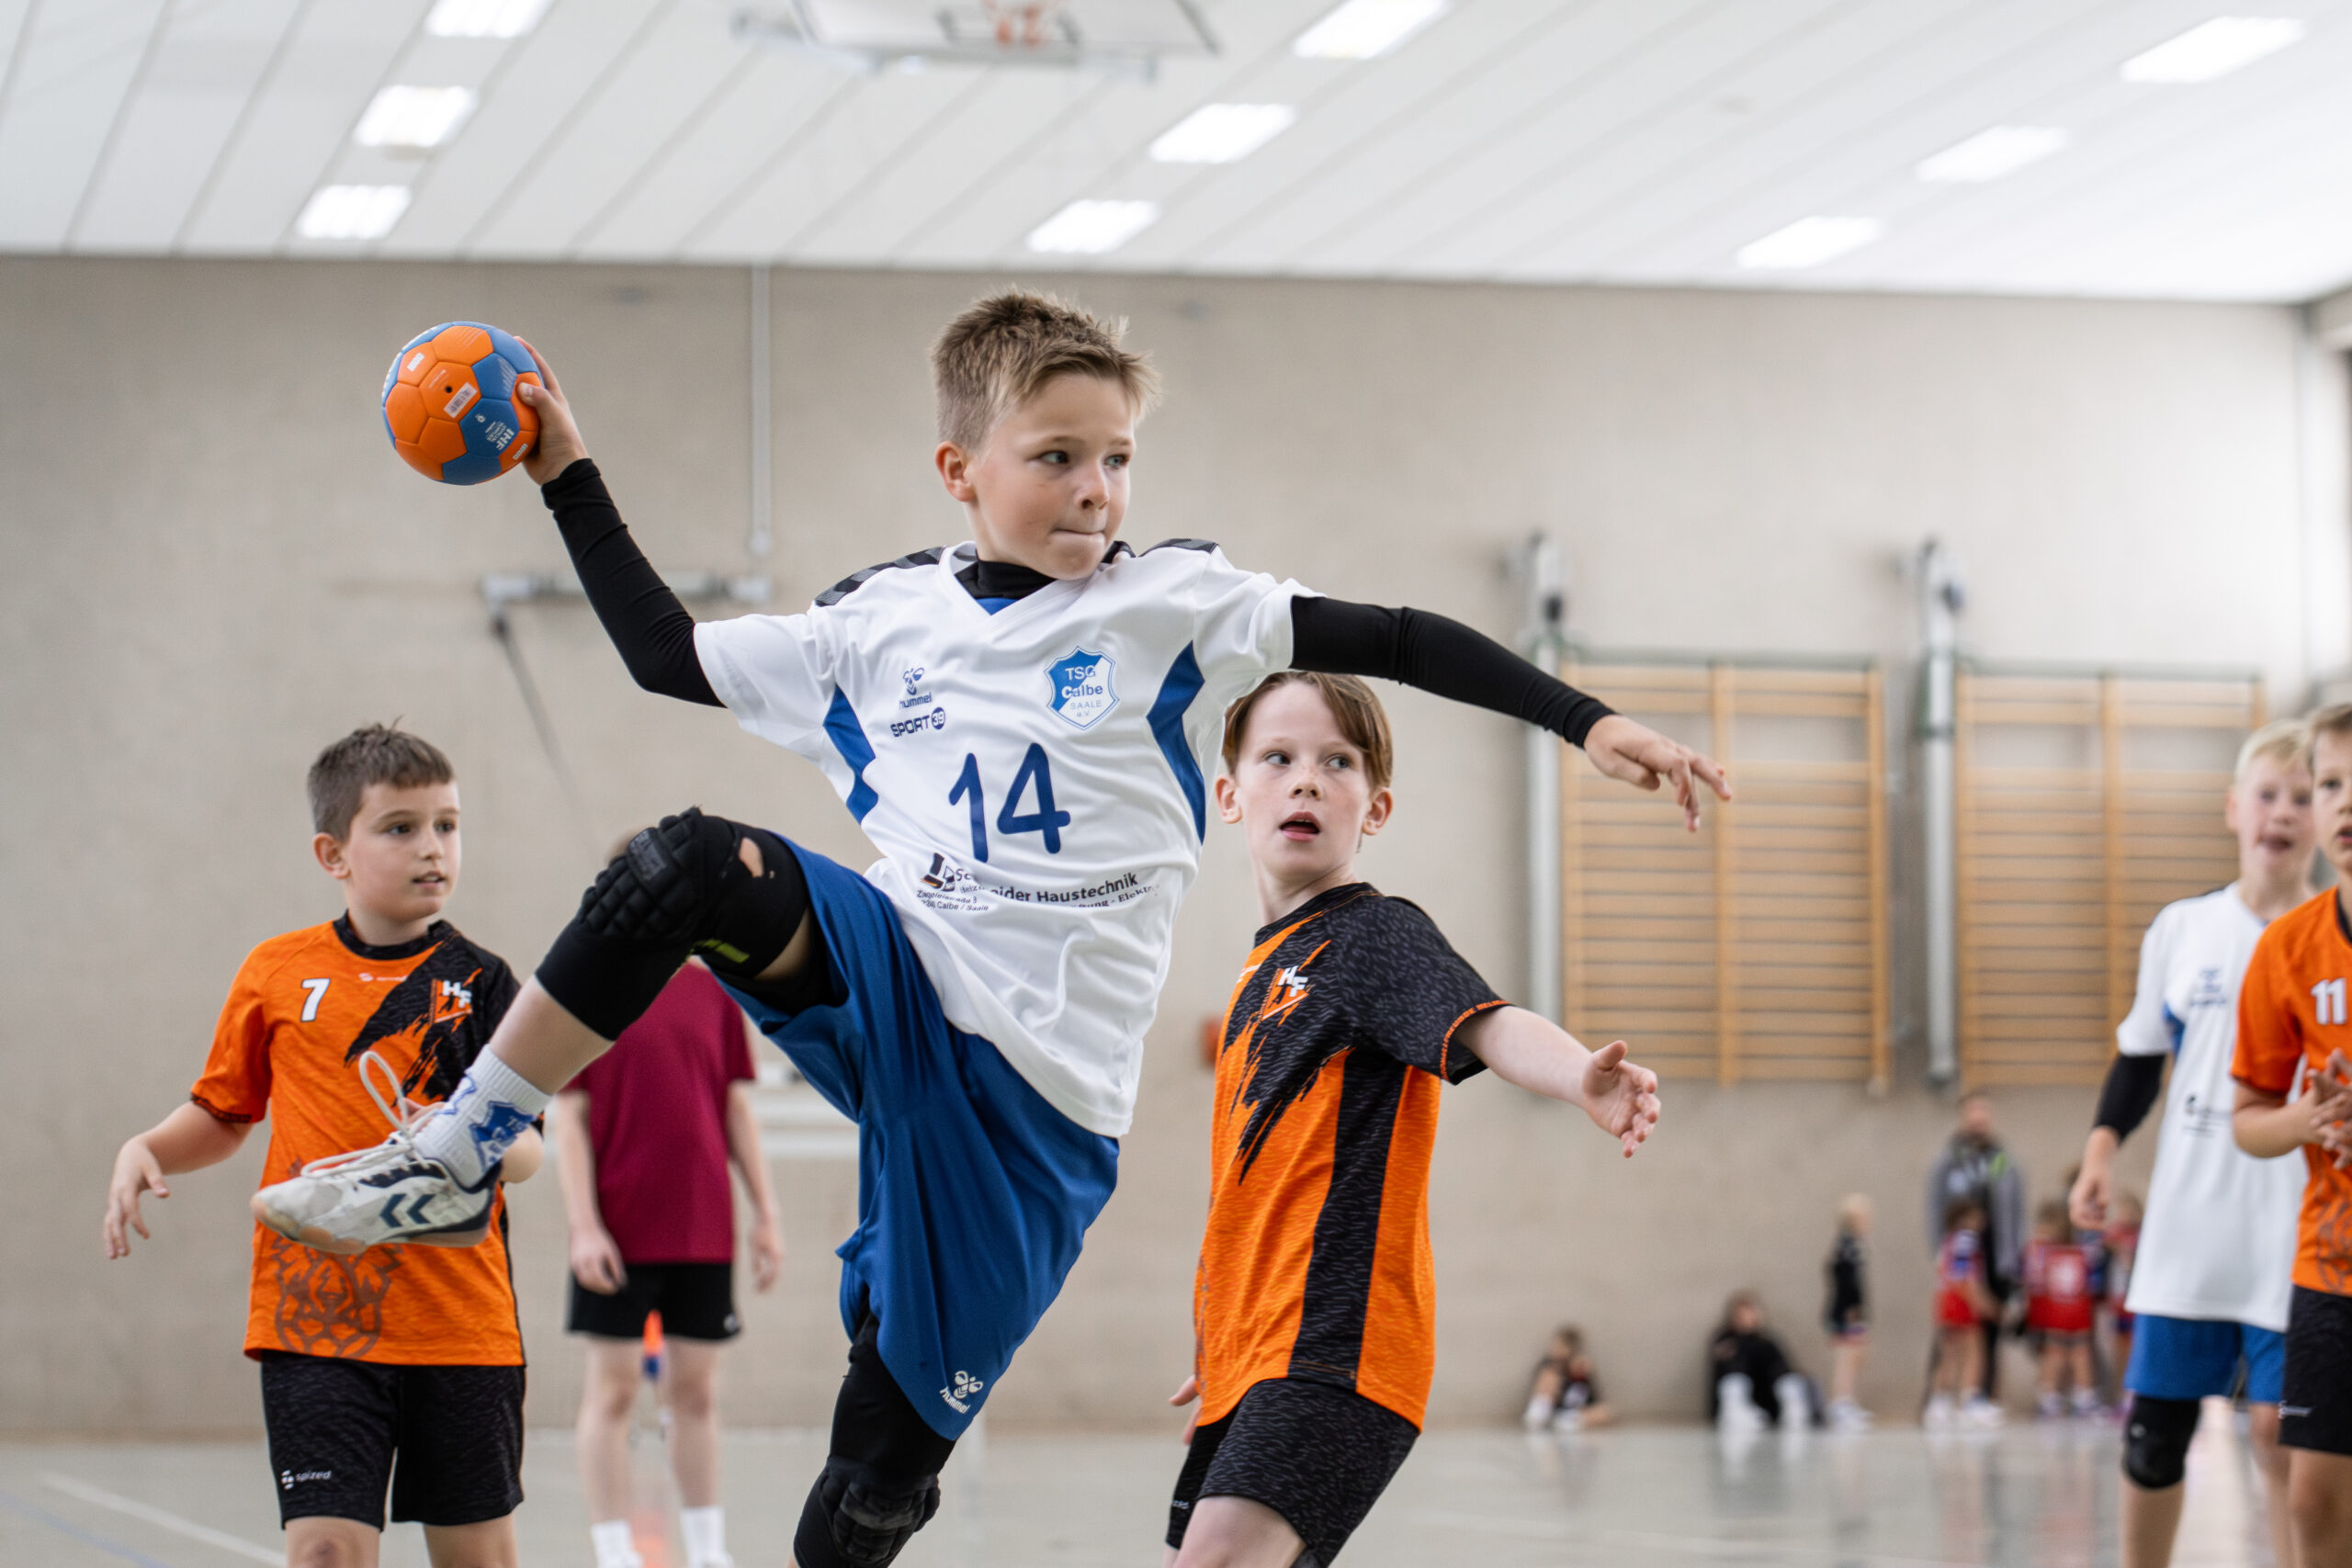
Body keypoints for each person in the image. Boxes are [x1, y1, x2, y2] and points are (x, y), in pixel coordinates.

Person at [252, 293, 1729, 1568]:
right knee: (680, 864)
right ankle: (460, 1145)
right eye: (1058, 456)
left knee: (870, 1488)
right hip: (899, 979)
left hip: (1038, 1111)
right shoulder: (878, 622)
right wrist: (563, 463)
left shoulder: (1177, 603)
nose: (1098, 489)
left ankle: (876, 1471)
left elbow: (1395, 636)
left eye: (1118, 458)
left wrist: (1584, 719)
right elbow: (662, 652)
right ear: (960, 469)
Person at [1161, 673, 1660, 1566]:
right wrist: (1219, 1329)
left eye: (1336, 762)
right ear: (1229, 796)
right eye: (1277, 757)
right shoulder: (1256, 979)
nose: (1306, 778)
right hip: (1252, 1356)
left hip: (1332, 1350)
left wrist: (1578, 1076)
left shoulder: (1371, 935)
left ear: (1376, 808)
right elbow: (1249, 1181)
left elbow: (1489, 1022)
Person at [98, 726, 541, 1568]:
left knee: (478, 1558)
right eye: (401, 827)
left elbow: (527, 1152)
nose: (432, 847)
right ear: (332, 853)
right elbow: (225, 1113)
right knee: (325, 1550)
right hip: (316, 1324)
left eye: (447, 825)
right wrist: (146, 1146)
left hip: (460, 1327)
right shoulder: (275, 971)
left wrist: (458, 1137)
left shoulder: (485, 982)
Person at [2070, 716, 2315, 1568]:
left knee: (2286, 1438)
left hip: (2297, 1223)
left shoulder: (2331, 935)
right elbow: (2140, 1058)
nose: (2282, 812)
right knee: (2154, 1436)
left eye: (2302, 796)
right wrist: (2101, 1150)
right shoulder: (2183, 929)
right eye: (2266, 793)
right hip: (2192, 1224)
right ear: (2233, 807)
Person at [556, 954, 786, 1568]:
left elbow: (734, 1107)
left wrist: (766, 1212)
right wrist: (584, 1227)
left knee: (696, 1393)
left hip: (702, 1227)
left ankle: (709, 1549)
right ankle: (613, 1550)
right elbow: (570, 1118)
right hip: (617, 1233)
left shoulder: (714, 993)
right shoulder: (590, 981)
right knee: (614, 1391)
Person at [2234, 704, 2352, 1568]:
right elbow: (2248, 1121)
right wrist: (2308, 1120)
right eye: (2331, 784)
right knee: (2311, 1497)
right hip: (2331, 1267)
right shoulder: (2287, 950)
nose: (2345, 803)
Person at [1926, 1091, 2025, 1401]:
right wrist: (1938, 1251)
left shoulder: (2001, 1159)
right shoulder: (1949, 1160)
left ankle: (1981, 1394)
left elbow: (2015, 1209)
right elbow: (1934, 1206)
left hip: (1994, 1253)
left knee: (1989, 1328)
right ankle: (1938, 1396)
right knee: (1951, 1332)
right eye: (1973, 1111)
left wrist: (2014, 1256)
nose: (1979, 1118)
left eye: (1984, 1111)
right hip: (1960, 1253)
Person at [1927, 1198, 2002, 1429]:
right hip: (1961, 1299)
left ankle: (1938, 1403)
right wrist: (1982, 1301)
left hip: (1945, 1298)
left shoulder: (1947, 1240)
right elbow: (1964, 1275)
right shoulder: (1966, 1239)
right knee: (1974, 1349)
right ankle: (1969, 1401)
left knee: (1949, 1352)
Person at [2024, 1199, 2098, 1418]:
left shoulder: (2042, 1251)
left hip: (2057, 1311)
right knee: (2077, 1353)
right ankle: (2081, 1397)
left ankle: (2053, 1397)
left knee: (2060, 1353)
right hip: (2076, 1310)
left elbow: (2034, 1281)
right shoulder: (2083, 1250)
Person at [1710, 1292, 1813, 1433]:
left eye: (1750, 1313)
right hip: (1738, 1398)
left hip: (1767, 1401)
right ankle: (1734, 1406)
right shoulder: (1725, 1338)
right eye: (1742, 1314)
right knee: (1737, 1352)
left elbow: (1781, 1366)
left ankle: (1793, 1402)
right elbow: (1721, 1358)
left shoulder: (1766, 1342)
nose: (1747, 1317)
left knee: (1776, 1364)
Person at [1823, 1193, 1871, 1432]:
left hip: (1850, 1310)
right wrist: (1850, 1310)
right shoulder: (1847, 1247)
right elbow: (1844, 1281)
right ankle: (1840, 1404)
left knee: (1856, 1356)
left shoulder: (1852, 1245)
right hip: (1846, 1312)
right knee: (1847, 1358)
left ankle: (1847, 1400)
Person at [1524, 1325, 1614, 1434]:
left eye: (1560, 1346)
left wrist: (1582, 1377)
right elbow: (1544, 1388)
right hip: (1554, 1408)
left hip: (1574, 1412)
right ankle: (1539, 1417)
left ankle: (1567, 1422)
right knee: (1549, 1377)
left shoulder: (1582, 1367)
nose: (1555, 1348)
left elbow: (1592, 1398)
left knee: (1605, 1412)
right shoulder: (1549, 1367)